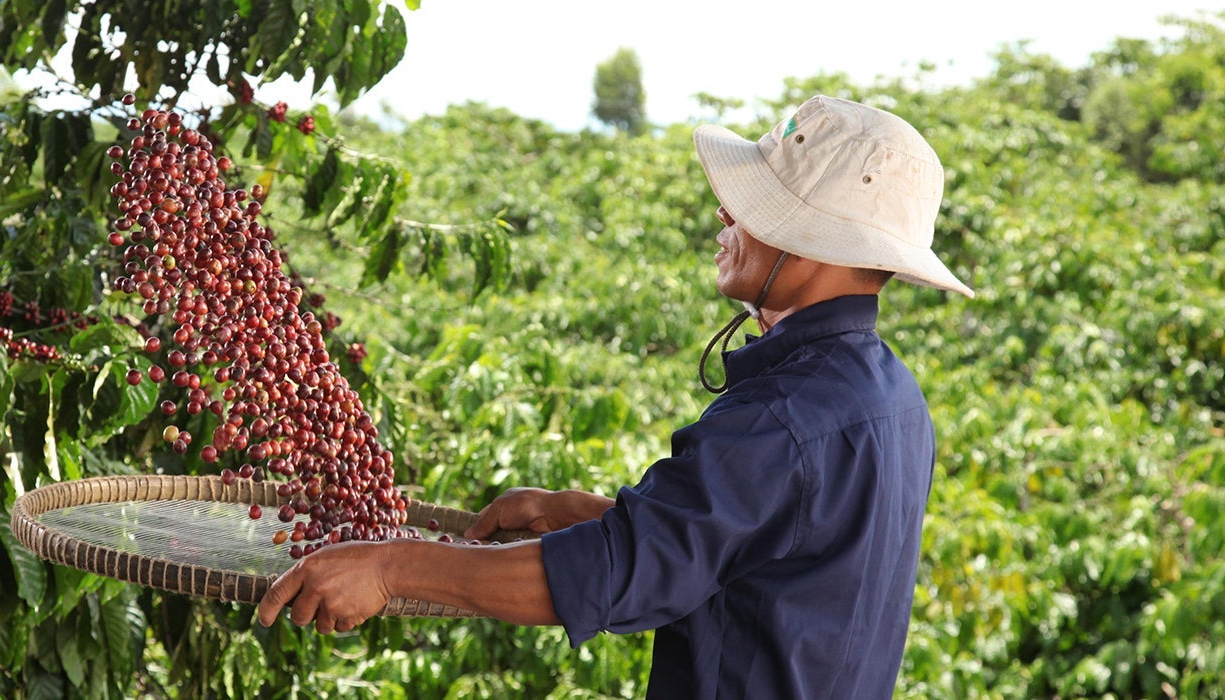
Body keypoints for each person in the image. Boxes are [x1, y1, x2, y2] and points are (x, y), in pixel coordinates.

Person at [256, 95, 974, 698]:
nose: (726, 218)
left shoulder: (781, 421)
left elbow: (616, 577)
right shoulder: (894, 398)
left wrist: (392, 566)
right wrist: (583, 513)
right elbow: (769, 557)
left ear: (815, 242)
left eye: (753, 208)